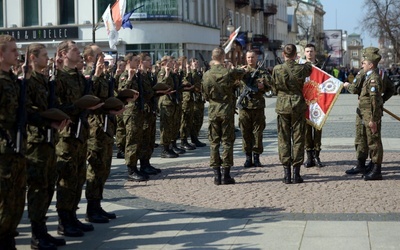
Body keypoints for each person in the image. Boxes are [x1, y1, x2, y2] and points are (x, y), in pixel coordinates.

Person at [55, 40, 103, 237]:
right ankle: (64, 220)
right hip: (67, 135)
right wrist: (79, 107)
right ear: (63, 54)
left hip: (81, 132)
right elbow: (57, 106)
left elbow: (90, 96)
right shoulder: (60, 77)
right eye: (74, 50)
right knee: (67, 177)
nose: (79, 53)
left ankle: (73, 216)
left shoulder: (78, 76)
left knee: (78, 176)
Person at [26, 43, 69, 249]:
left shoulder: (45, 80)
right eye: (44, 55)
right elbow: (30, 110)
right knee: (38, 188)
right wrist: (48, 120)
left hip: (49, 138)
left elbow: (55, 101)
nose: (47, 58)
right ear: (33, 58)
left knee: (48, 185)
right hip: (36, 142)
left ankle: (43, 231)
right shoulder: (30, 82)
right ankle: (36, 235)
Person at [83, 44, 126, 224]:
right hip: (94, 128)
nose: (103, 58)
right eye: (99, 55)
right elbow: (86, 97)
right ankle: (91, 209)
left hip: (106, 126)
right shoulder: (87, 74)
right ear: (90, 58)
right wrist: (96, 75)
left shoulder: (103, 75)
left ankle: (98, 204)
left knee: (104, 168)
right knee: (94, 167)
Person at [0, 34, 32, 249]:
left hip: (17, 147)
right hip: (3, 151)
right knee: (3, 202)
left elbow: (25, 111)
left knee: (17, 199)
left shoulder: (13, 80)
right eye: (12, 50)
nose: (17, 54)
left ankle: (8, 238)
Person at [201, 47, 244, 185]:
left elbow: (205, 94)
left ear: (213, 57)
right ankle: (226, 175)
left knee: (214, 142)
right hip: (226, 110)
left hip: (213, 109)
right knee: (227, 141)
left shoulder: (206, 74)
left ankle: (216, 175)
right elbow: (241, 75)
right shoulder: (228, 73)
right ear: (223, 56)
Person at [270, 44, 312, 184]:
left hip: (283, 106)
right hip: (297, 105)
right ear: (295, 55)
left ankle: (286, 173)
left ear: (283, 54)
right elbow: (309, 68)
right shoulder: (301, 68)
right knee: (298, 138)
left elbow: (274, 87)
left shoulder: (277, 69)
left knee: (283, 139)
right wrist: (302, 61)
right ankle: (296, 173)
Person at [343, 47, 386, 180]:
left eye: (364, 62)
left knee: (374, 142)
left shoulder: (373, 79)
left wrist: (373, 119)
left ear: (371, 65)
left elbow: (374, 101)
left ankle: (377, 170)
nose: (362, 64)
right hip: (365, 113)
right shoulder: (368, 77)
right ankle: (372, 166)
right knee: (367, 140)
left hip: (370, 115)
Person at [238, 50, 271, 168]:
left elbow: (270, 85)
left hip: (258, 106)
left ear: (256, 58)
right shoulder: (241, 70)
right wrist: (240, 73)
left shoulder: (262, 72)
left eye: (252, 57)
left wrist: (263, 87)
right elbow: (232, 83)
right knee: (245, 132)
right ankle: (248, 157)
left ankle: (256, 157)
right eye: (248, 57)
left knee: (258, 132)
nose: (250, 59)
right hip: (244, 107)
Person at [300, 44, 324, 168]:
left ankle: (317, 155)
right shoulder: (300, 67)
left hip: (318, 103)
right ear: (304, 53)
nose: (309, 53)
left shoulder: (321, 67)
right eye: (307, 51)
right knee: (307, 131)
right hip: (305, 103)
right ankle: (309, 157)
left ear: (315, 53)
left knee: (318, 130)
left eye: (311, 51)